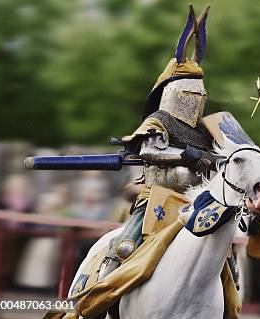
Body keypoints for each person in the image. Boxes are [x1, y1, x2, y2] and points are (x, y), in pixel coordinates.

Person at [98, 5, 220, 279]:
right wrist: (185, 156)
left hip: (193, 202)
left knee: (226, 265)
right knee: (124, 248)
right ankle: (98, 290)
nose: (195, 98)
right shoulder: (158, 122)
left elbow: (216, 160)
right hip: (157, 198)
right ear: (174, 92)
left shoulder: (205, 130)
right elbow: (149, 150)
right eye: (190, 91)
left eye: (199, 93)